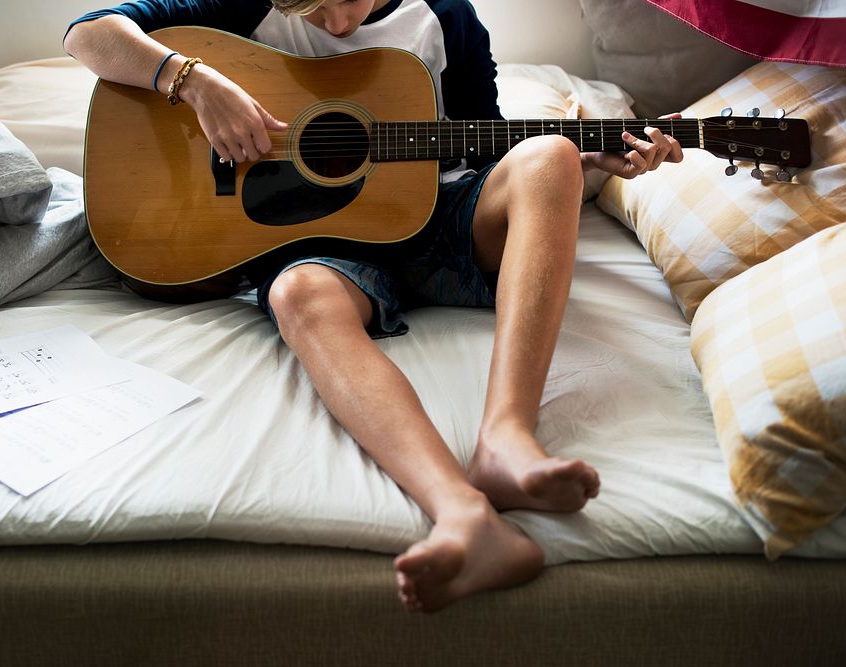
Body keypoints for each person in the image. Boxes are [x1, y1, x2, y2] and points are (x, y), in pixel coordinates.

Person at [64, 0, 683, 613]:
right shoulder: (244, 6)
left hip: (440, 221)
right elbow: (86, 34)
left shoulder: (445, 18)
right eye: (315, 9)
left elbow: (487, 150)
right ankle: (463, 517)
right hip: (317, 245)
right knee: (295, 294)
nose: (336, 24)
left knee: (547, 155)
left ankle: (507, 442)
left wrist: (584, 161)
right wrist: (193, 82)